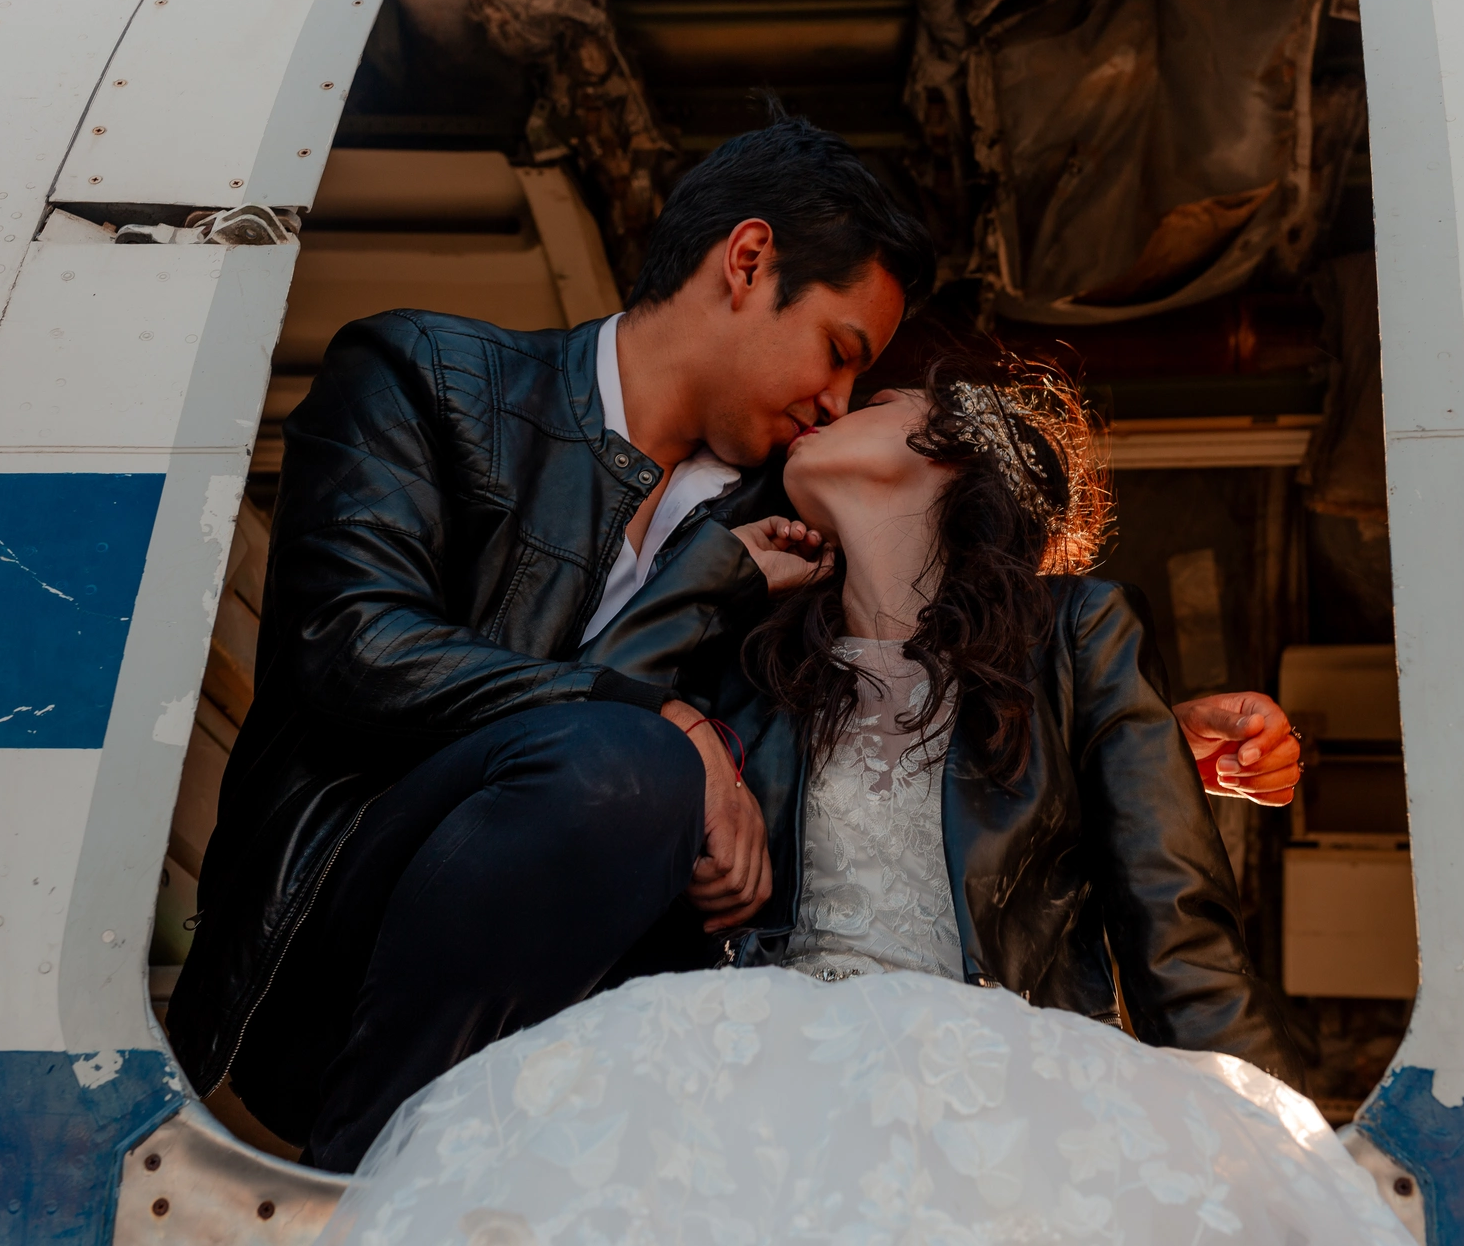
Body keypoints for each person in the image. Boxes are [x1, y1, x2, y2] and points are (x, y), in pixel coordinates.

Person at [168, 114, 1300, 1174]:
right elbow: (350, 644)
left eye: (869, 385)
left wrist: (1131, 733)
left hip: (635, 1039)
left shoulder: (787, 530)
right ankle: (377, 1185)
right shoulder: (427, 377)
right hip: (351, 941)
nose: (839, 398)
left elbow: (922, 697)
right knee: (628, 766)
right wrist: (666, 718)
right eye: (840, 349)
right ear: (747, 260)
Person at [313, 356, 1371, 1246]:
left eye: (871, 403)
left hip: (991, 1086)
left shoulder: (1078, 632)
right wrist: (706, 574)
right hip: (754, 1078)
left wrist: (1300, 1160)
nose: (827, 409)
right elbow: (598, 718)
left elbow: (1172, 919)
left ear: (949, 450)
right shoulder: (756, 656)